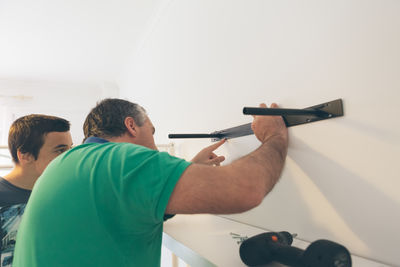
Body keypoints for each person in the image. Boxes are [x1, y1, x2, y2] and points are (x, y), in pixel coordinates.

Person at [13, 98, 288, 267]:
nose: (154, 143)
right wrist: (273, 136)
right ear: (132, 126)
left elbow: (125, 208)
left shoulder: (70, 163)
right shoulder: (121, 159)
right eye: (151, 131)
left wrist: (190, 170)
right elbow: (245, 189)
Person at [0, 114, 73, 265]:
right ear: (25, 155)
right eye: (60, 150)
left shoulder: (64, 194)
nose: (70, 157)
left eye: (70, 149)